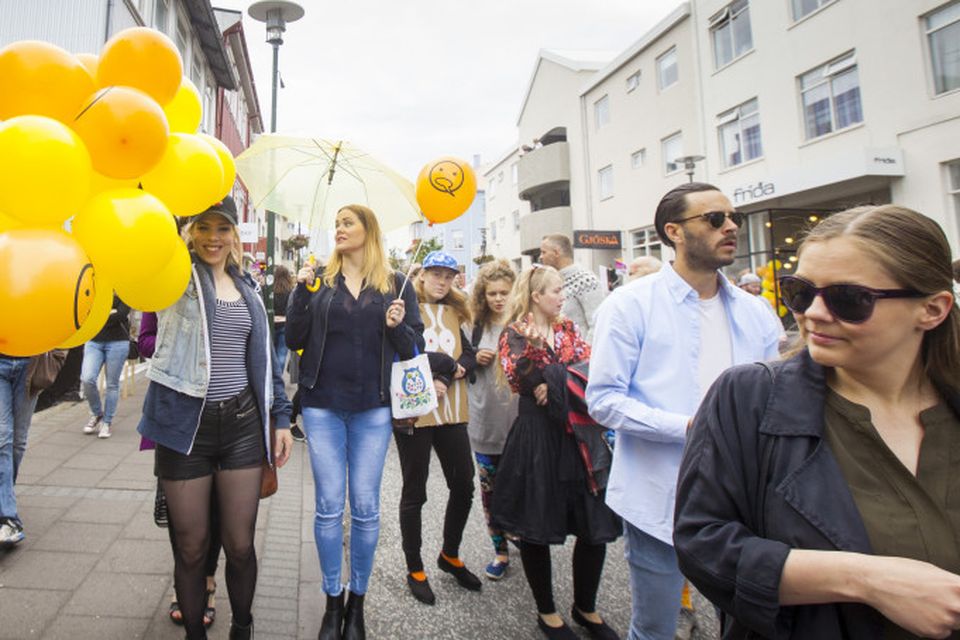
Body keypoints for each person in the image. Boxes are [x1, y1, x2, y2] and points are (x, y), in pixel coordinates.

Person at [674, 205, 960, 639]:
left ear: (932, 310)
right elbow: (703, 544)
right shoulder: (748, 397)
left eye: (849, 298)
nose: (814, 313)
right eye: (800, 292)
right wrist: (867, 580)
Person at [586, 183, 782, 640]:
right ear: (673, 232)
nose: (730, 226)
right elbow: (604, 401)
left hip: (746, 502)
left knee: (747, 625)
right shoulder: (630, 306)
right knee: (654, 627)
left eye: (732, 216)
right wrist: (691, 427)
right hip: (661, 496)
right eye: (714, 219)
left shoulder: (757, 312)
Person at [138, 196, 293, 640]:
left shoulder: (248, 287)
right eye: (202, 228)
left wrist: (280, 418)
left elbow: (262, 361)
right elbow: (146, 272)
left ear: (235, 234)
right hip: (184, 426)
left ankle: (242, 629)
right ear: (189, 232)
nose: (212, 238)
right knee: (191, 548)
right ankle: (195, 634)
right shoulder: (176, 277)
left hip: (243, 425)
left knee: (240, 545)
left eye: (222, 228)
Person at [286, 204, 424, 640]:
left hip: (374, 409)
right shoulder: (320, 282)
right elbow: (293, 339)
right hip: (323, 405)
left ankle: (357, 605)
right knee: (329, 507)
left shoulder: (397, 285)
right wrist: (300, 296)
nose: (340, 229)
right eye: (338, 223)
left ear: (369, 229)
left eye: (348, 222)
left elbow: (413, 347)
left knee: (364, 507)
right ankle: (332, 601)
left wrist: (398, 327)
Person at [493, 264, 622, 640]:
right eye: (555, 289)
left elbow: (589, 368)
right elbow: (521, 378)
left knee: (593, 525)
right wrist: (553, 372)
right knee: (537, 524)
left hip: (578, 435)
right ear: (536, 295)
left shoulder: (567, 328)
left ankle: (586, 606)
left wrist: (555, 378)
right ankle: (546, 612)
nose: (562, 295)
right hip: (537, 438)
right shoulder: (516, 332)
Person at [396, 250, 481, 605]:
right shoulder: (404, 305)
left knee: (463, 483)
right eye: (436, 275)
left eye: (448, 276)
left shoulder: (458, 313)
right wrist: (445, 367)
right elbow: (406, 351)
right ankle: (414, 566)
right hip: (414, 410)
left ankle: (449, 553)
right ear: (422, 275)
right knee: (415, 490)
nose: (442, 282)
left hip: (451, 412)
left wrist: (450, 370)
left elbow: (470, 353)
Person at [139, 311, 220, 630]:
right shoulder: (164, 285)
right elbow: (145, 340)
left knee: (217, 509)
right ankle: (183, 580)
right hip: (175, 412)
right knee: (180, 513)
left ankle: (209, 581)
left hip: (222, 411)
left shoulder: (224, 279)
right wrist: (178, 341)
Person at [466, 259, 519, 580]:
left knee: (520, 485)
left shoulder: (523, 324)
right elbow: (458, 361)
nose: (498, 299)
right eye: (491, 294)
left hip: (519, 422)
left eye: (504, 293)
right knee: (490, 490)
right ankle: (500, 550)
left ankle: (518, 532)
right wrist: (474, 357)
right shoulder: (474, 327)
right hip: (484, 421)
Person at [80, 294, 132, 439]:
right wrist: (110, 313)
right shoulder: (95, 287)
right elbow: (86, 311)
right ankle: (97, 414)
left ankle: (106, 422)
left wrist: (100, 316)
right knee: (87, 378)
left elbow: (122, 314)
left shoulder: (124, 290)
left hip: (118, 342)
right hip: (93, 340)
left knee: (112, 384)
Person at [539, 234, 606, 342]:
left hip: (580, 354)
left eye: (544, 252)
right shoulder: (549, 282)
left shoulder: (586, 280)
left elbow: (598, 323)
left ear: (556, 252)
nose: (540, 257)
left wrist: (585, 354)